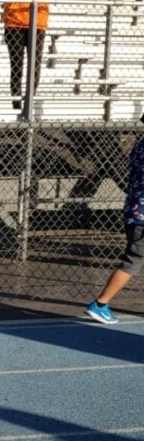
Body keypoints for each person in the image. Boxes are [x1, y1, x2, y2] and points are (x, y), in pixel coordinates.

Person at [85, 116, 144, 324]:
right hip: (142, 215)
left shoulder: (140, 146)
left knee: (135, 258)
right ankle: (100, 304)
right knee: (133, 260)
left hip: (134, 211)